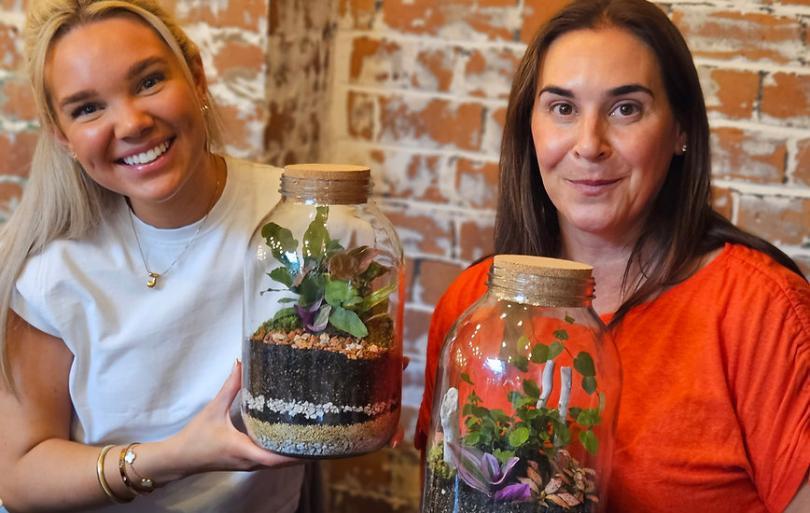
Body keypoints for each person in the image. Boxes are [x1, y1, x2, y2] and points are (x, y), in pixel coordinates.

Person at [416, 1, 809, 512]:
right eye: (563, 108)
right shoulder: (471, 307)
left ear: (681, 130)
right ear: (529, 127)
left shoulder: (764, 311)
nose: (589, 144)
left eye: (626, 108)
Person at [0, 1, 309, 511]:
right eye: (87, 108)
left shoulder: (297, 217)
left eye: (147, 82)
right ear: (61, 135)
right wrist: (176, 456)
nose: (131, 123)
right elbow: (20, 475)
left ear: (197, 76)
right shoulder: (48, 264)